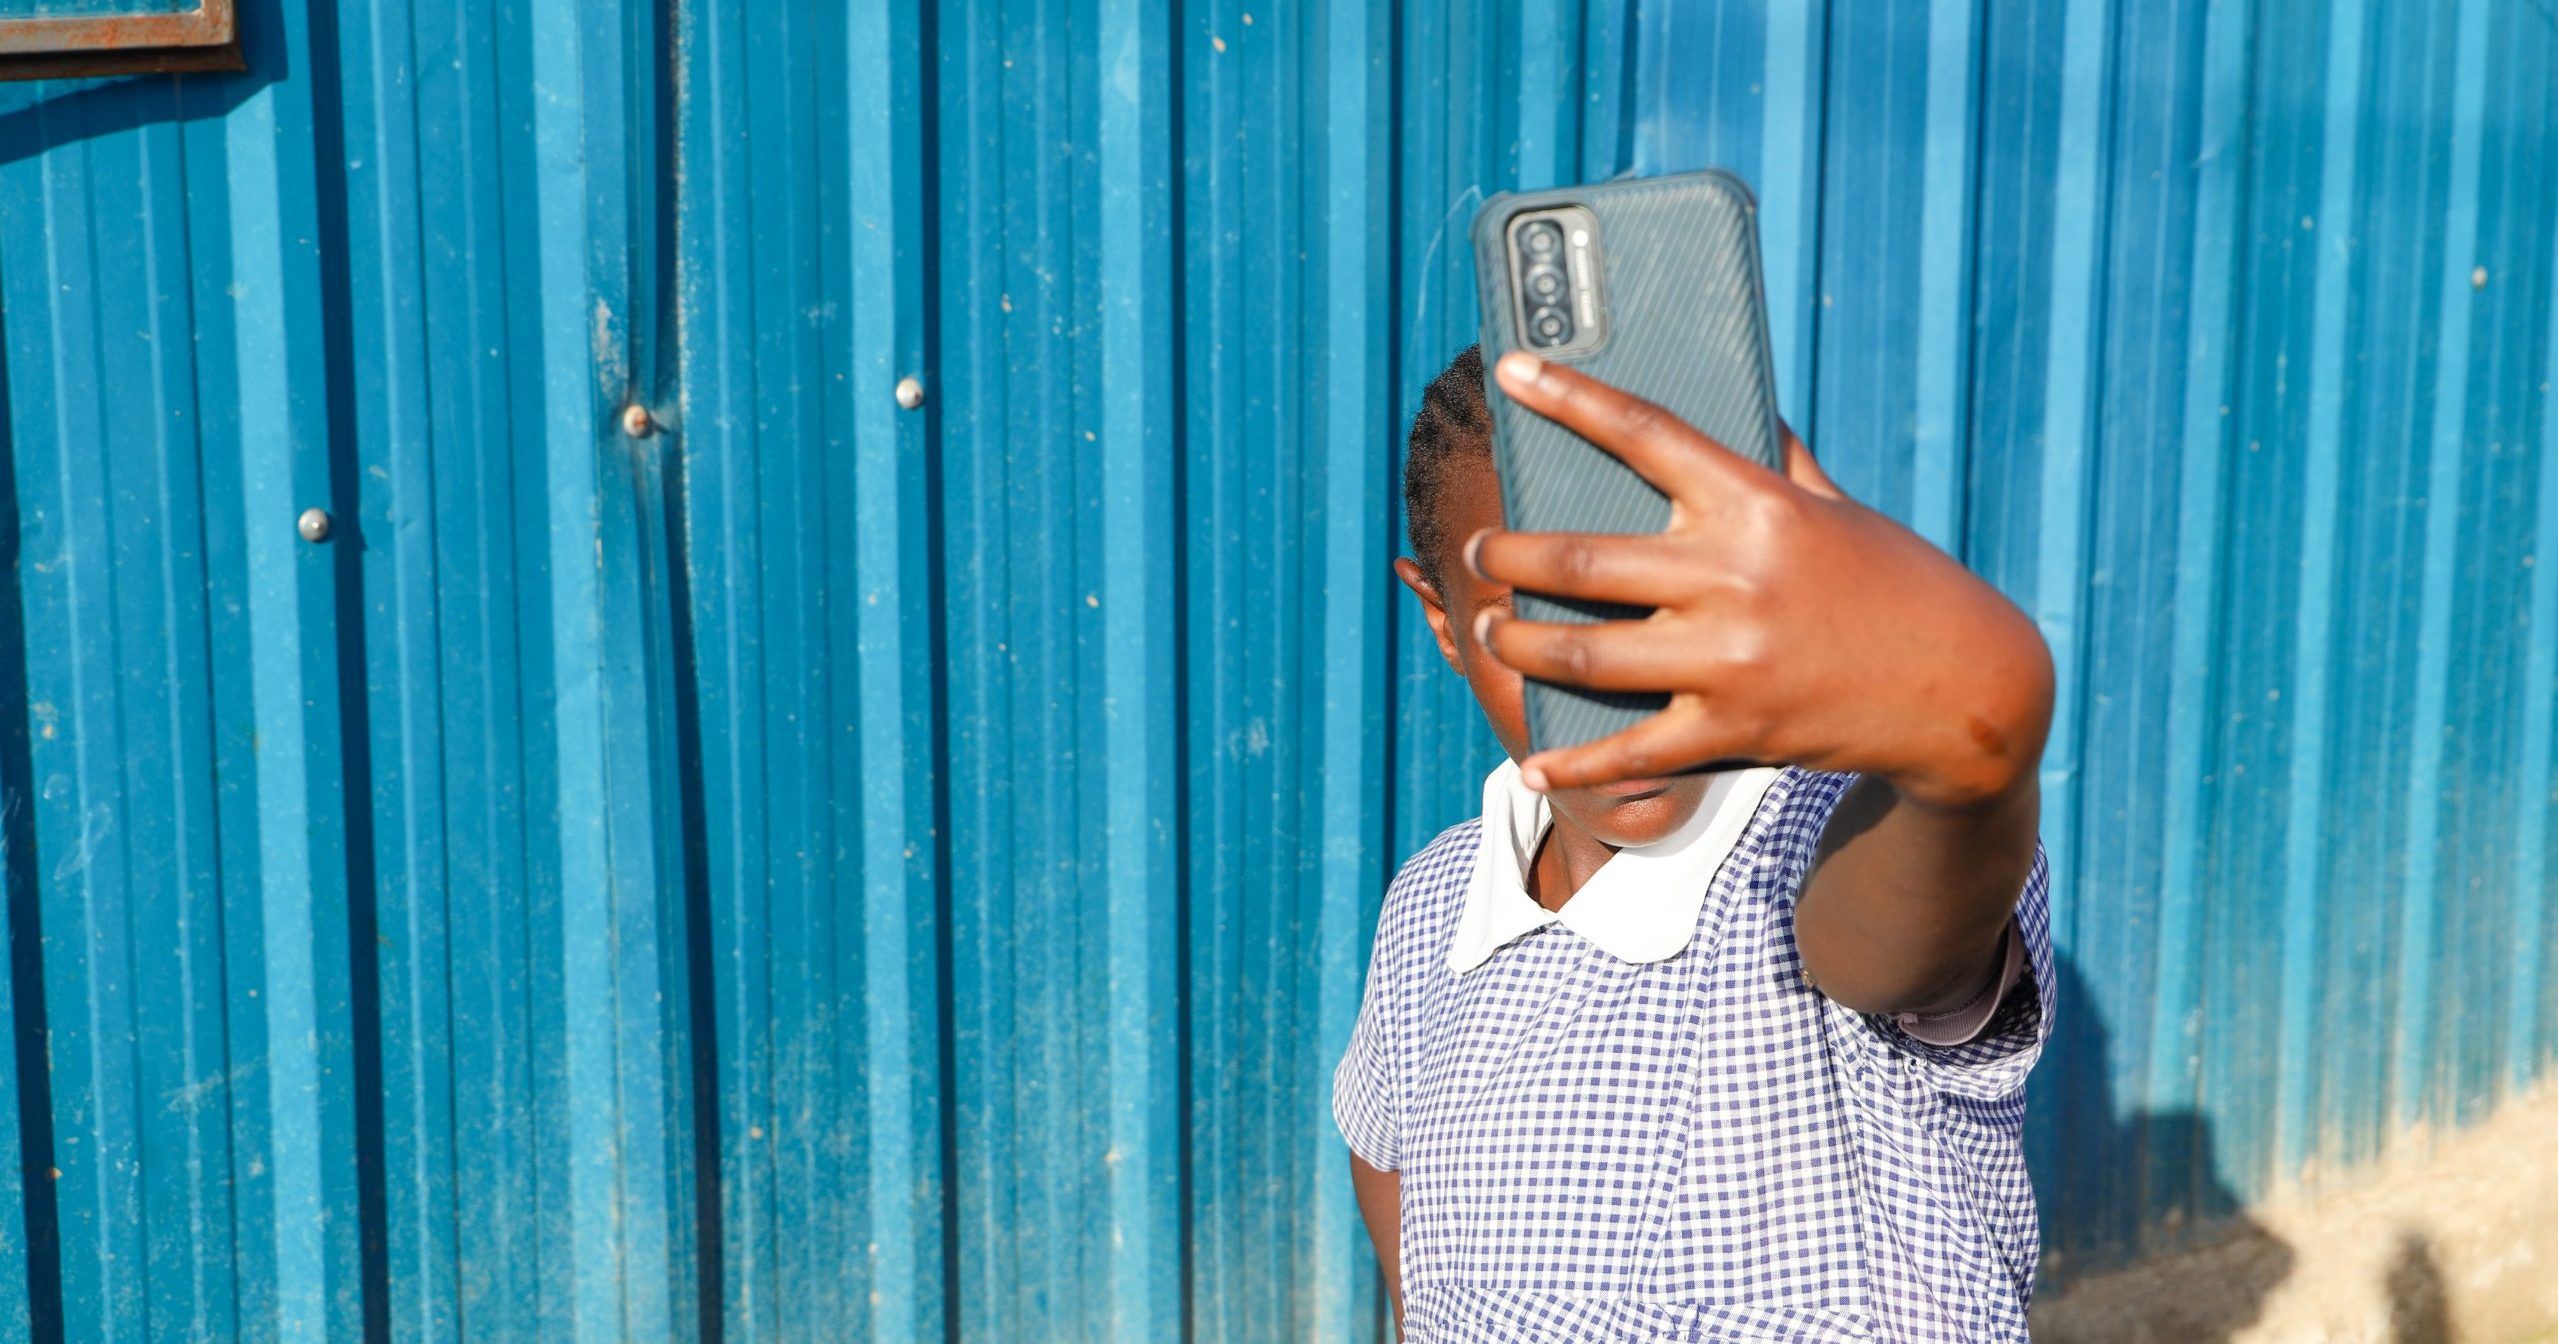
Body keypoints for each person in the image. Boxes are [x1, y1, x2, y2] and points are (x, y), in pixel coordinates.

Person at [1334, 345, 2057, 1343]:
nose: (1615, 684)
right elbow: (1383, 1140)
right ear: (1446, 624)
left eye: (1662, 611)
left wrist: (1969, 741)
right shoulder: (1434, 900)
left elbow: (1889, 946)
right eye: (1533, 624)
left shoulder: (1831, 833)